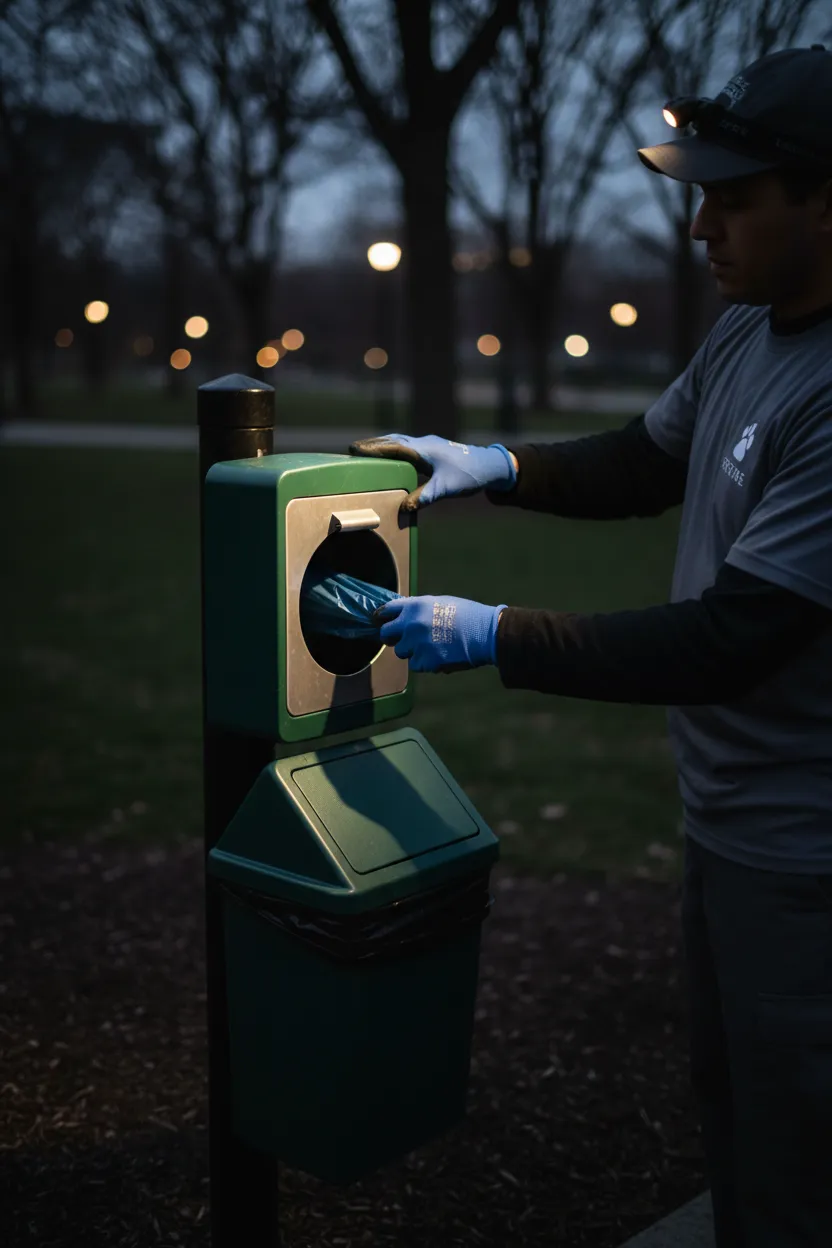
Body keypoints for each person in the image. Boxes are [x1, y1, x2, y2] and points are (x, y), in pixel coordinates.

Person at [348, 44, 832, 1248]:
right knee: (739, 1135)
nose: (700, 225)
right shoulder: (751, 326)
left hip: (808, 856)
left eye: (733, 196)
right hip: (727, 822)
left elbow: (733, 639)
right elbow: (647, 459)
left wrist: (494, 635)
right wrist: (495, 469)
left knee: (801, 1174)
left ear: (826, 196)